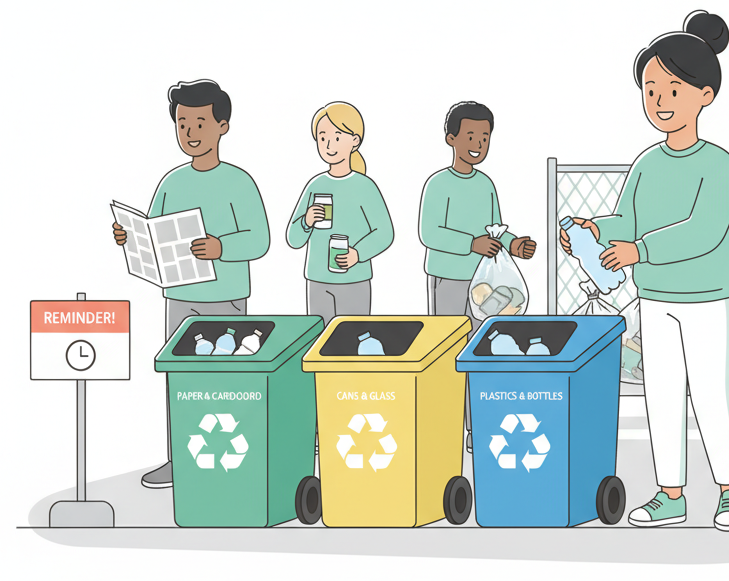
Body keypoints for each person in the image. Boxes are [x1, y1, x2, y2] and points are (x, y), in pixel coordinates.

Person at [560, 11, 729, 531]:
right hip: (656, 297)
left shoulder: (718, 164)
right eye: (650, 88)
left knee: (710, 394)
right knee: (661, 396)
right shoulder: (646, 162)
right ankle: (671, 494)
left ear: (705, 94)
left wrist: (637, 251)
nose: (660, 100)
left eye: (673, 87)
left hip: (706, 297)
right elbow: (628, 218)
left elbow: (702, 231)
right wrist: (595, 228)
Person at [112, 80, 270, 489]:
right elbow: (153, 232)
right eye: (183, 123)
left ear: (223, 126)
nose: (191, 132)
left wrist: (221, 247)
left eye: (200, 122)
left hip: (226, 300)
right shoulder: (171, 183)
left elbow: (260, 240)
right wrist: (130, 238)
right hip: (180, 300)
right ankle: (180, 460)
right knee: (181, 382)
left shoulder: (240, 182)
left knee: (229, 383)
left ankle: (236, 463)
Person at [418, 101, 536, 453]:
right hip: (449, 280)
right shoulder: (439, 184)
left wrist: (514, 244)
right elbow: (429, 232)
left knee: (482, 354)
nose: (478, 143)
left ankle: (477, 428)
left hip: (486, 287)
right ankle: (446, 428)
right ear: (451, 138)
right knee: (449, 355)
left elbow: (495, 230)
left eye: (484, 137)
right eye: (470, 135)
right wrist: (471, 244)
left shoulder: (486, 185)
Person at [286, 102, 394, 320]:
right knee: (320, 343)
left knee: (353, 342)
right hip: (318, 280)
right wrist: (306, 221)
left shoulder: (365, 186)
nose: (328, 145)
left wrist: (358, 254)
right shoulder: (315, 185)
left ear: (355, 141)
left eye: (336, 137)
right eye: (322, 138)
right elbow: (293, 239)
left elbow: (385, 233)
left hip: (355, 281)